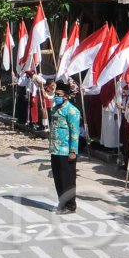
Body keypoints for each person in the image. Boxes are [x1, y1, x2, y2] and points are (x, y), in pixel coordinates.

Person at [48, 81, 81, 213]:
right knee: (58, 178)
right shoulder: (55, 109)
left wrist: (73, 151)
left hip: (66, 151)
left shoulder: (72, 111)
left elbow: (75, 132)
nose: (56, 96)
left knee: (67, 179)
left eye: (59, 95)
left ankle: (70, 205)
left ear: (66, 96)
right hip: (55, 149)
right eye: (55, 94)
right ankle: (62, 202)